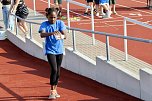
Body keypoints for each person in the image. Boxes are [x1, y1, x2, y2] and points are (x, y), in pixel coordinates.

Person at [39, 7, 67, 99]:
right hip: (50, 50)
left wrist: (61, 36)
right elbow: (42, 34)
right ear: (47, 16)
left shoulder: (60, 23)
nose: (53, 19)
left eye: (54, 17)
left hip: (59, 50)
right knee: (54, 69)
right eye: (51, 17)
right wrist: (51, 33)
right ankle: (52, 91)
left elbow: (65, 35)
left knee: (58, 71)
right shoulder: (44, 24)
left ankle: (55, 89)